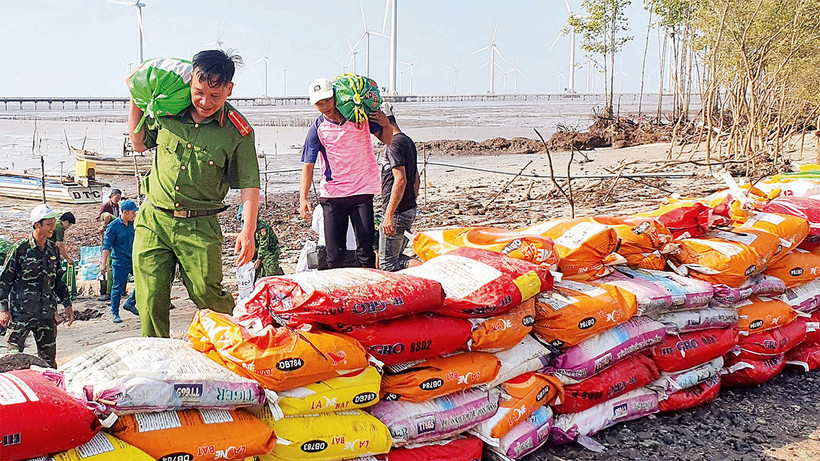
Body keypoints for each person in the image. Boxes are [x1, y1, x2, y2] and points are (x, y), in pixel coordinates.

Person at [127, 49, 260, 338]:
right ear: (190, 82)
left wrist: (247, 231)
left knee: (206, 294)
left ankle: (238, 344)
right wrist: (135, 96)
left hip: (199, 226)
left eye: (215, 96)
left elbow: (249, 184)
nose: (205, 102)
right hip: (154, 220)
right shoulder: (168, 109)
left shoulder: (238, 131)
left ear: (229, 89)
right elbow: (138, 143)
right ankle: (158, 363)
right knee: (149, 300)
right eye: (199, 92)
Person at [299, 77, 392, 269]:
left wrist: (386, 125)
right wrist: (303, 198)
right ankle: (339, 296)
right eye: (318, 103)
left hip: (361, 192)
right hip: (333, 196)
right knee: (334, 254)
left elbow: (387, 140)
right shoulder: (317, 129)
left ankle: (367, 291)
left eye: (327, 100)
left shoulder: (359, 118)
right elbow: (308, 166)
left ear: (336, 96)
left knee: (365, 250)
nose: (324, 106)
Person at [0, 204, 74, 367]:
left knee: (48, 361)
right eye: (48, 224)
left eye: (54, 224)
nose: (52, 228)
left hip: (46, 315)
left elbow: (58, 282)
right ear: (37, 225)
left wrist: (67, 305)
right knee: (14, 359)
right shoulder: (20, 249)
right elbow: (4, 282)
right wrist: (3, 310)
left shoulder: (52, 250)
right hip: (21, 314)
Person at [378, 102, 421, 271]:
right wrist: (412, 202)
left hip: (397, 212)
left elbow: (400, 179)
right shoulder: (407, 141)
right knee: (395, 258)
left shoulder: (393, 144)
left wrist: (389, 214)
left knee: (388, 263)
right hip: (407, 209)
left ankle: (427, 272)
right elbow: (416, 179)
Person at [101, 200, 140, 323]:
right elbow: (106, 246)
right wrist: (103, 263)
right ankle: (115, 313)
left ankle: (130, 303)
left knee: (143, 281)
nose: (134, 214)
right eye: (133, 212)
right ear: (125, 212)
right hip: (120, 261)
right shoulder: (113, 227)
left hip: (134, 259)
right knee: (117, 288)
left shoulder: (134, 224)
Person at [237, 205, 284, 279]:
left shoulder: (262, 227)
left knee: (271, 272)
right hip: (257, 250)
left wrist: (259, 259)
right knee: (254, 272)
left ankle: (279, 275)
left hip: (270, 250)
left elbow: (264, 244)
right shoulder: (245, 227)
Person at [97, 190, 121, 302]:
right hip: (111, 230)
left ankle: (110, 291)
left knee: (111, 264)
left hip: (115, 231)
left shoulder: (117, 206)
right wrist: (104, 226)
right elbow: (104, 216)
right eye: (116, 197)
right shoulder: (106, 207)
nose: (117, 200)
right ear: (111, 197)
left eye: (119, 198)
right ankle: (109, 290)